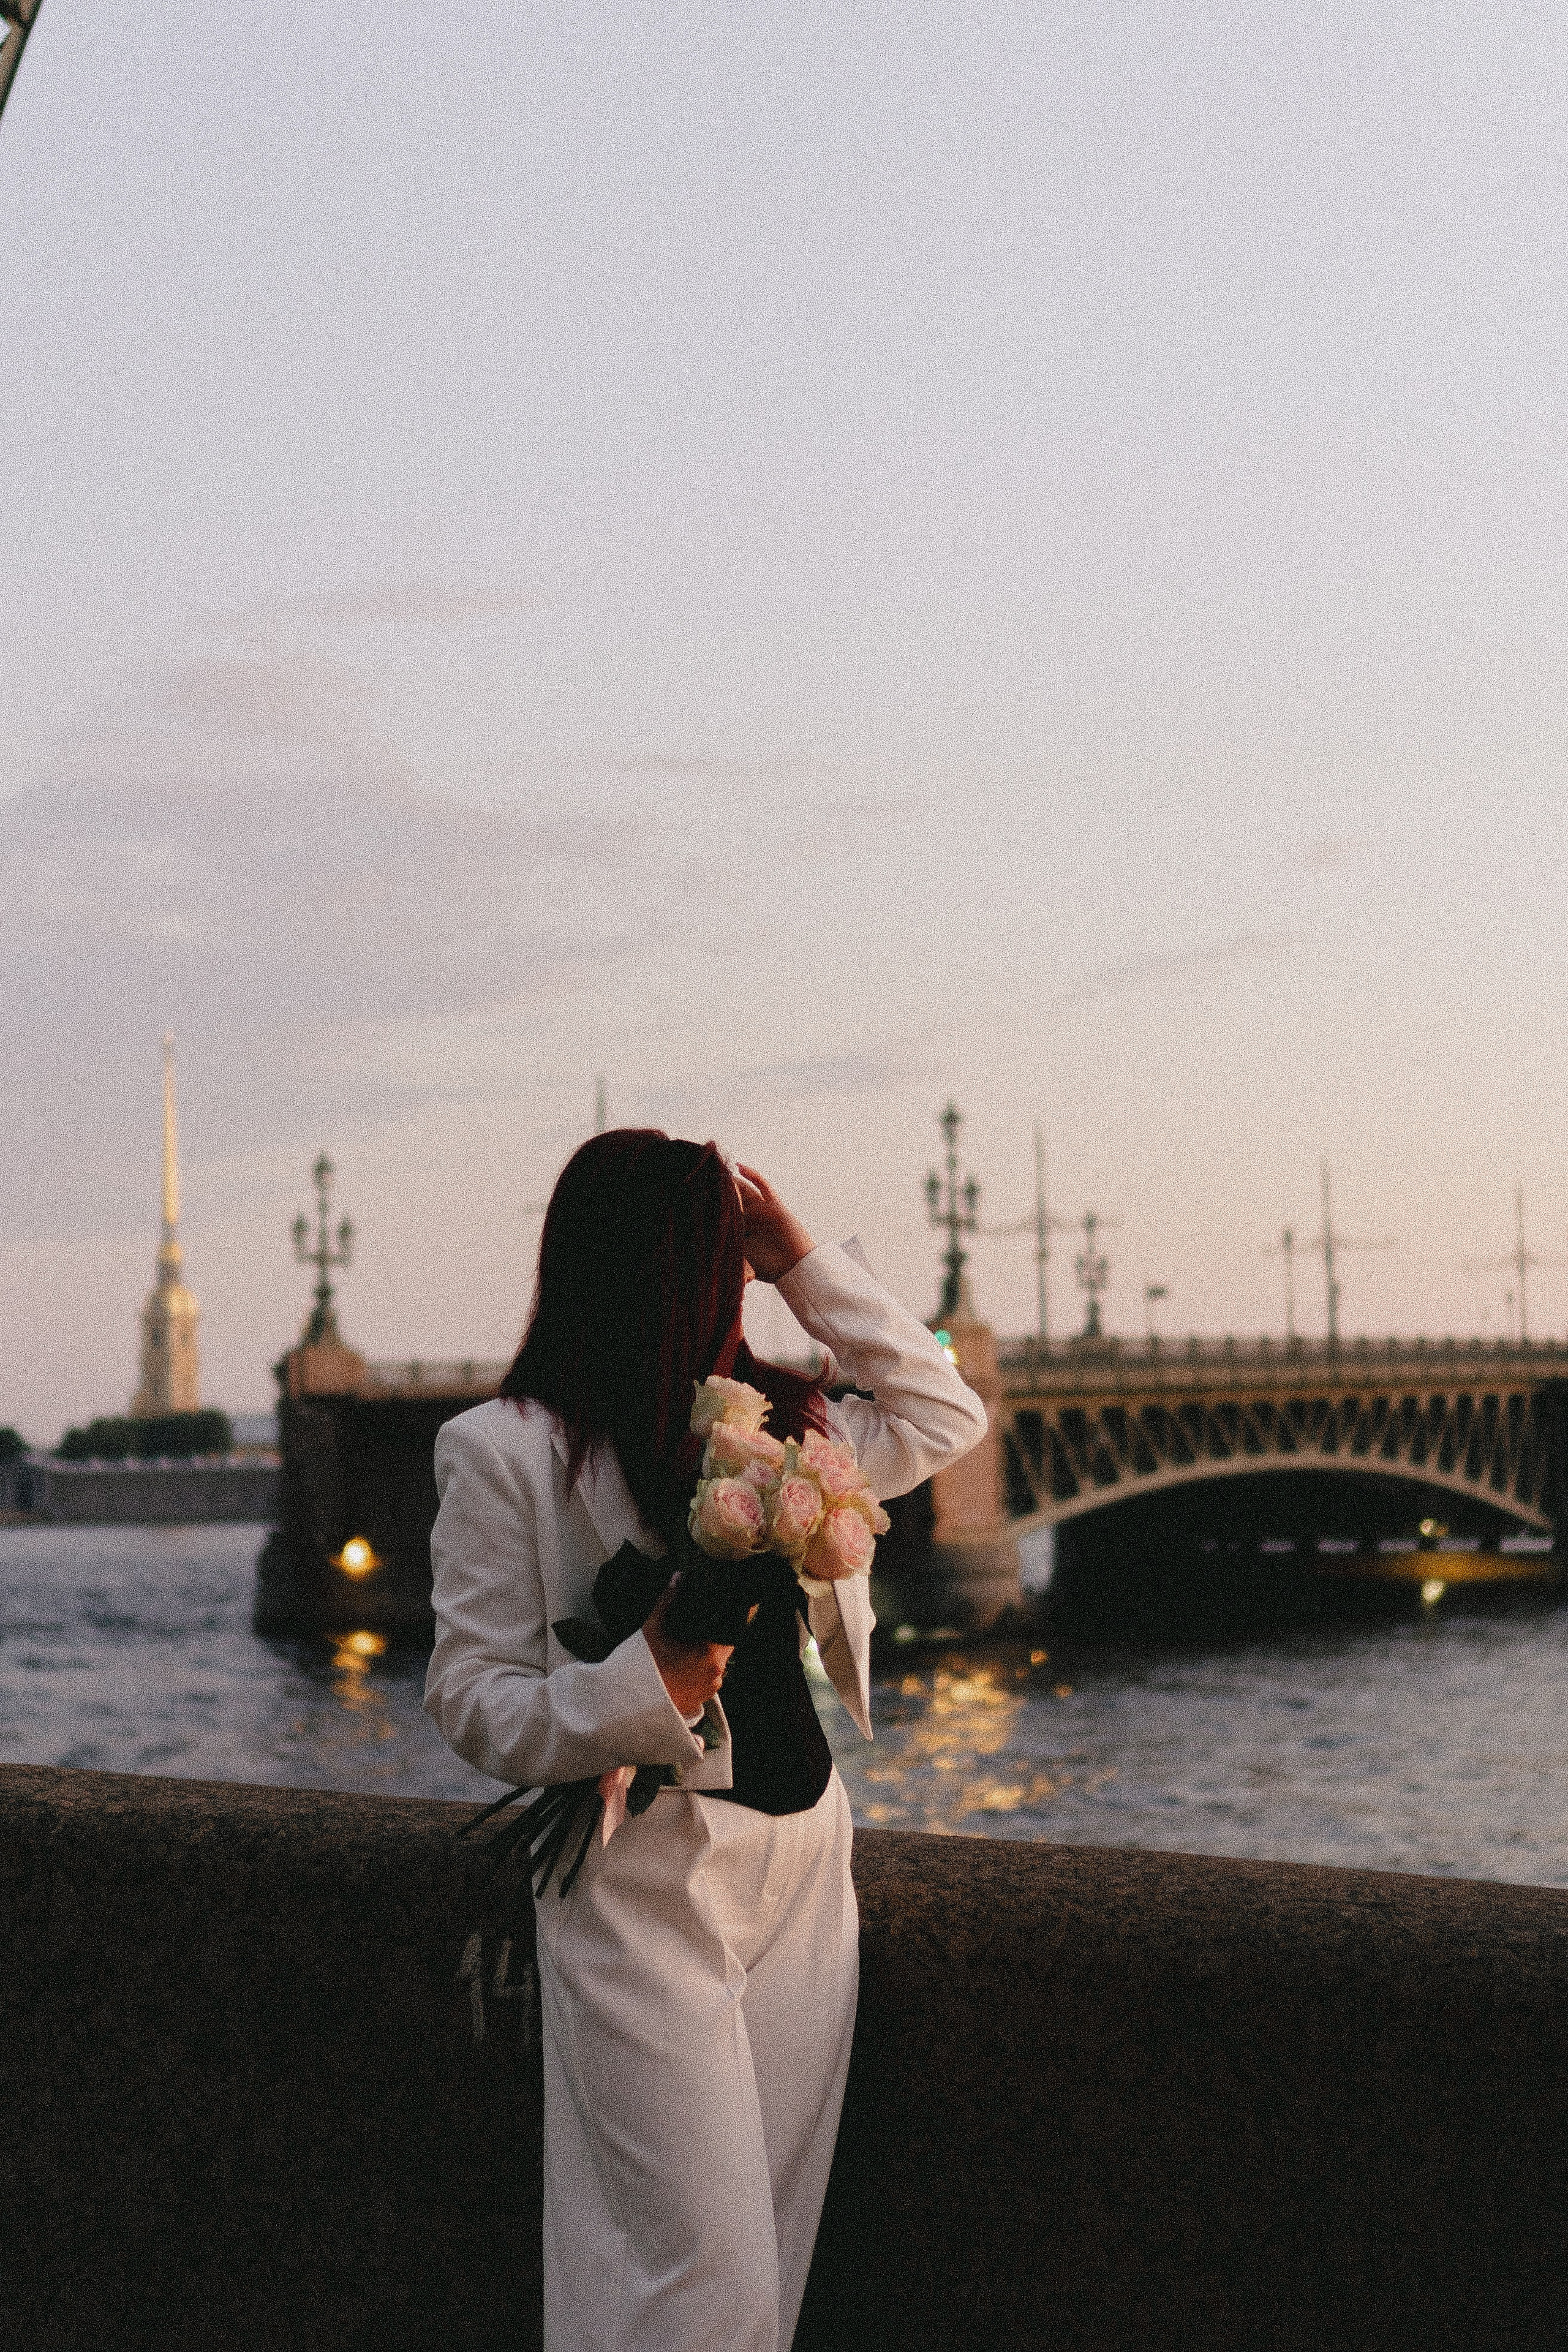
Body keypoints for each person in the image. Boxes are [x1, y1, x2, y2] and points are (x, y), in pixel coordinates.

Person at [424, 1132, 987, 2352]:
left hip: (799, 1864)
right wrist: (650, 1678)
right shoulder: (505, 1450)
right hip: (642, 1878)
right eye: (716, 1258)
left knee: (766, 2260)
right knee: (704, 2273)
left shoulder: (787, 1420)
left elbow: (942, 1411)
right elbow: (471, 1701)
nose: (730, 1283)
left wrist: (805, 1264)